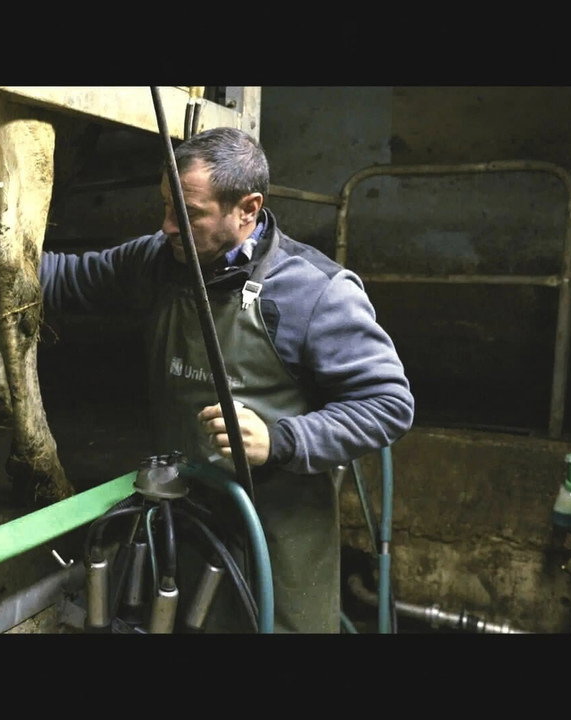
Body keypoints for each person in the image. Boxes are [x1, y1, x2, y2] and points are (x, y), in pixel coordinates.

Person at [38, 126, 415, 633]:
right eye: (166, 207)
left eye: (189, 214)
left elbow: (388, 404)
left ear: (248, 209)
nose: (168, 226)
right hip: (183, 526)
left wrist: (282, 438)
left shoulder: (314, 292)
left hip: (275, 539)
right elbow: (66, 278)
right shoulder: (161, 260)